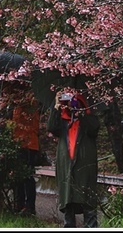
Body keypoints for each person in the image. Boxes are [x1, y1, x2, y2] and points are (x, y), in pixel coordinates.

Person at [48, 89, 99, 228]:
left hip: (84, 168)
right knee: (68, 203)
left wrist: (80, 112)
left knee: (88, 203)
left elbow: (94, 129)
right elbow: (51, 127)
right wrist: (57, 106)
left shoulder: (89, 121)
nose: (71, 105)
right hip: (66, 168)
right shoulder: (63, 123)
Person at [2, 81, 41, 217]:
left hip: (28, 144)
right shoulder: (15, 106)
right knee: (18, 176)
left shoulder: (29, 103)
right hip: (18, 143)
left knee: (27, 176)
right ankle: (19, 204)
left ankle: (29, 207)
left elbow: (30, 123)